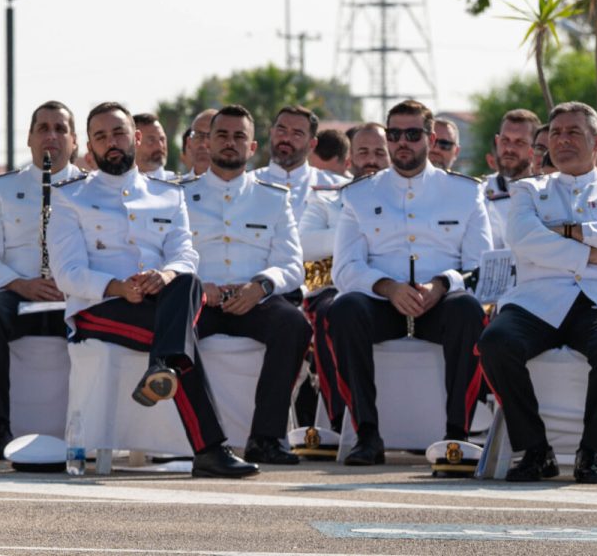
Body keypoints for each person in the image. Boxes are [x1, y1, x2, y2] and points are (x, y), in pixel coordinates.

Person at [50, 102, 260, 478]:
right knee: (182, 341)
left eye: (118, 133)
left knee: (187, 281)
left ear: (137, 137)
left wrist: (164, 276)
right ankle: (209, 447)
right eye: (101, 136)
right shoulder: (70, 197)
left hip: (160, 301)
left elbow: (184, 254)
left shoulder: (168, 193)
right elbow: (67, 273)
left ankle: (163, 367)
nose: (111, 142)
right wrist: (117, 287)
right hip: (99, 309)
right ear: (90, 147)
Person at [478, 101, 597, 483]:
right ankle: (535, 449)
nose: (563, 140)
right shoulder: (528, 190)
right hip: (536, 301)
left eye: (574, 132)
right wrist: (595, 254)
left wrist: (569, 231)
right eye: (555, 133)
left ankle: (590, 451)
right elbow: (522, 238)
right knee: (495, 342)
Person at [324, 99, 494, 465]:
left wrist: (441, 285)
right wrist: (388, 287)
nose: (403, 142)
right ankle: (367, 435)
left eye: (413, 134)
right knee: (344, 308)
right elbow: (346, 268)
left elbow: (480, 266)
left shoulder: (465, 192)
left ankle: (456, 437)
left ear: (431, 139)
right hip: (383, 303)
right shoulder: (358, 195)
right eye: (395, 134)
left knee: (467, 309)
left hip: (441, 304)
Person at [184, 105, 310, 465]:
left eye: (239, 136)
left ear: (252, 147)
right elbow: (166, 256)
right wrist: (196, 285)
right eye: (221, 134)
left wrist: (261, 286)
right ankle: (199, 439)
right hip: (200, 300)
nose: (230, 143)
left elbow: (291, 264)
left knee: (294, 324)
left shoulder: (272, 198)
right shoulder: (179, 195)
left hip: (253, 301)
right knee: (170, 326)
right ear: (206, 142)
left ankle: (266, 438)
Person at [0, 101, 83, 459]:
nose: (52, 136)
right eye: (43, 128)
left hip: (76, 295)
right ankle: (0, 427)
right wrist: (20, 284)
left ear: (74, 141)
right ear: (30, 139)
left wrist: (75, 281)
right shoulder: (2, 189)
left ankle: (90, 428)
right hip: (20, 294)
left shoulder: (91, 188)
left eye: (60, 129)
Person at [297, 123, 390, 435]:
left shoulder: (408, 203)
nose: (372, 159)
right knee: (330, 313)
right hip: (334, 288)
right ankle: (340, 421)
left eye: (380, 152)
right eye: (363, 152)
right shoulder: (326, 200)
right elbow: (305, 244)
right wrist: (360, 228)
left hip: (390, 292)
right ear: (349, 161)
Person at [254, 105, 340, 220]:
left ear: (312, 144)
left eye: (297, 134)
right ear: (272, 133)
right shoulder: (248, 184)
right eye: (281, 130)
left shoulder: (332, 188)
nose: (286, 139)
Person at [482, 109, 542, 247]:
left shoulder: (547, 191)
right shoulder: (479, 192)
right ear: (497, 141)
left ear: (534, 147)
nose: (509, 148)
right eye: (505, 140)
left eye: (519, 142)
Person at [134, 111, 175, 180]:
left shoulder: (179, 187)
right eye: (151, 140)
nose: (159, 146)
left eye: (162, 139)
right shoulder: (116, 186)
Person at [180, 108, 217, 180]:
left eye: (210, 136)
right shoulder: (173, 189)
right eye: (198, 136)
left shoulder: (242, 189)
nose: (203, 144)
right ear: (189, 142)